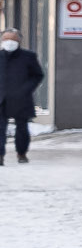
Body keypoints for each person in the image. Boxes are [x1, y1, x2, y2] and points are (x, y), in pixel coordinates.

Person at [0, 28, 40, 163]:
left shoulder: (28, 56)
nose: (9, 42)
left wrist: (26, 89)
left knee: (22, 128)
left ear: (19, 41)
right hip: (2, 99)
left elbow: (37, 75)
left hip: (21, 98)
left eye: (13, 39)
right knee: (0, 128)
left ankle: (21, 153)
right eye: (6, 39)